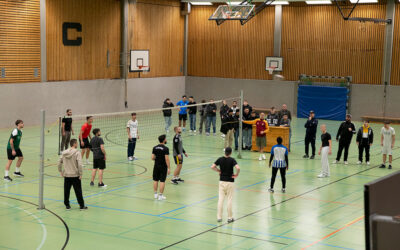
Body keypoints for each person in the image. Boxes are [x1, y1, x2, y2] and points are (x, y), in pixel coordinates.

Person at [211, 147, 240, 223]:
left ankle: (219, 217)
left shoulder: (220, 159)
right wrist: (236, 174)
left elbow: (212, 166)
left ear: (225, 152)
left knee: (220, 200)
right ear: (230, 153)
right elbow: (238, 168)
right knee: (229, 200)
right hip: (230, 182)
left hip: (221, 181)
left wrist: (218, 171)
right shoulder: (232, 160)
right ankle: (230, 217)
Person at [58, 139, 87, 210]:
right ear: (74, 144)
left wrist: (60, 171)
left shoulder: (64, 152)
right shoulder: (77, 152)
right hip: (75, 175)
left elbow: (59, 162)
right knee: (78, 191)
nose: (77, 144)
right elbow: (80, 164)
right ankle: (81, 205)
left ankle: (67, 205)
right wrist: (80, 173)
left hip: (67, 175)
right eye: (76, 143)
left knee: (66, 190)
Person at [152, 135, 170, 201]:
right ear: (164, 140)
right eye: (166, 139)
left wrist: (158, 159)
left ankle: (155, 194)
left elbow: (152, 158)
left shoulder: (154, 148)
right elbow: (167, 159)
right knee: (162, 180)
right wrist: (169, 168)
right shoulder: (166, 148)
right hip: (163, 166)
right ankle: (160, 196)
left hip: (156, 165)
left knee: (155, 180)